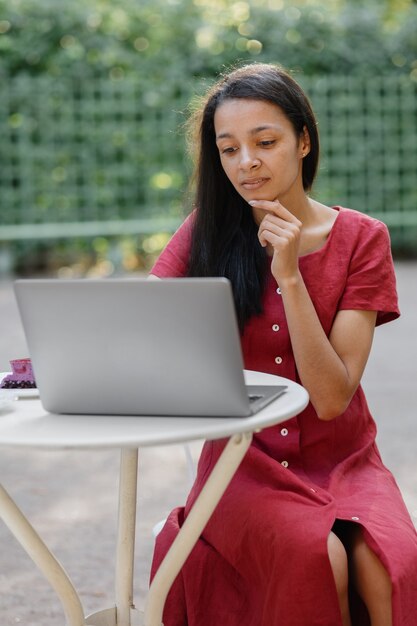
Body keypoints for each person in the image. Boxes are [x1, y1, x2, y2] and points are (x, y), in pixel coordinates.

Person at [148, 63, 417, 626]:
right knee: (314, 557)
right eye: (228, 149)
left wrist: (289, 275)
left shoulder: (362, 238)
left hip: (345, 459)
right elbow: (140, 329)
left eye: (265, 142)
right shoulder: (206, 232)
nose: (246, 162)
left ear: (304, 141)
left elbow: (331, 398)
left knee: (394, 566)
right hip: (242, 464)